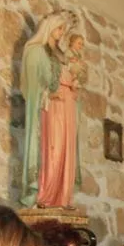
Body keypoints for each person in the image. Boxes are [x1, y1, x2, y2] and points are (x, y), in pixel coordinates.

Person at [19, 10, 79, 208]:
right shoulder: (37, 50)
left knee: (65, 150)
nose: (61, 33)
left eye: (63, 29)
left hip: (66, 104)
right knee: (52, 147)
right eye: (59, 28)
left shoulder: (60, 54)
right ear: (50, 27)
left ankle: (62, 197)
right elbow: (33, 83)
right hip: (49, 107)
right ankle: (45, 195)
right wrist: (48, 94)